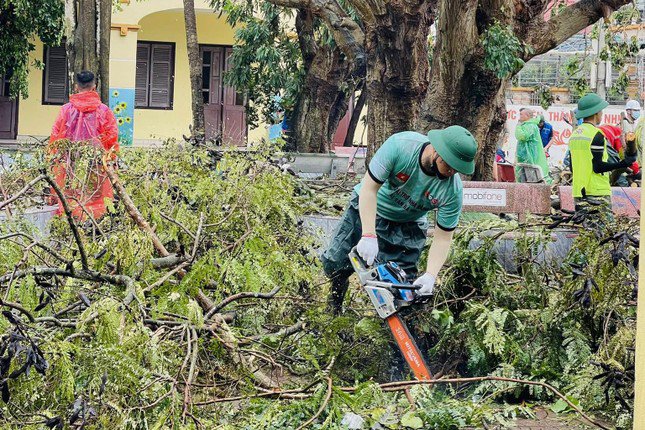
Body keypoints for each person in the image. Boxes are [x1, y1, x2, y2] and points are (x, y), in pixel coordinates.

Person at [321, 126, 478, 314]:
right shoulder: (400, 146)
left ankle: (395, 334)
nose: (452, 173)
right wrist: (369, 234)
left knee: (401, 290)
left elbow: (443, 237)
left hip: (408, 225)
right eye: (450, 166)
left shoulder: (452, 191)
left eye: (457, 169)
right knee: (335, 263)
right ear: (437, 151)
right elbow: (369, 189)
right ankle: (333, 310)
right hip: (369, 207)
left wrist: (430, 275)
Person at [49, 70, 119, 219]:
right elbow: (111, 138)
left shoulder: (66, 110)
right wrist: (112, 159)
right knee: (96, 196)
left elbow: (56, 137)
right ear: (94, 86)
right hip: (96, 163)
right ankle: (94, 224)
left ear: (76, 87)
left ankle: (70, 222)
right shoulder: (104, 111)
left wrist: (52, 158)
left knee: (70, 195)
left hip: (70, 162)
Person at [569, 93, 636, 213]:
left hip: (578, 191)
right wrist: (623, 163)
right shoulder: (597, 134)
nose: (602, 114)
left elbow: (571, 166)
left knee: (586, 228)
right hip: (597, 192)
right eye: (601, 111)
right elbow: (598, 167)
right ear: (596, 113)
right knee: (603, 230)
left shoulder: (575, 134)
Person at [514, 108, 551, 183]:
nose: (519, 116)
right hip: (525, 158)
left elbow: (522, 136)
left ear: (527, 115)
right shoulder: (527, 125)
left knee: (531, 180)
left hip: (530, 158)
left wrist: (518, 126)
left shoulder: (530, 126)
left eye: (521, 114)